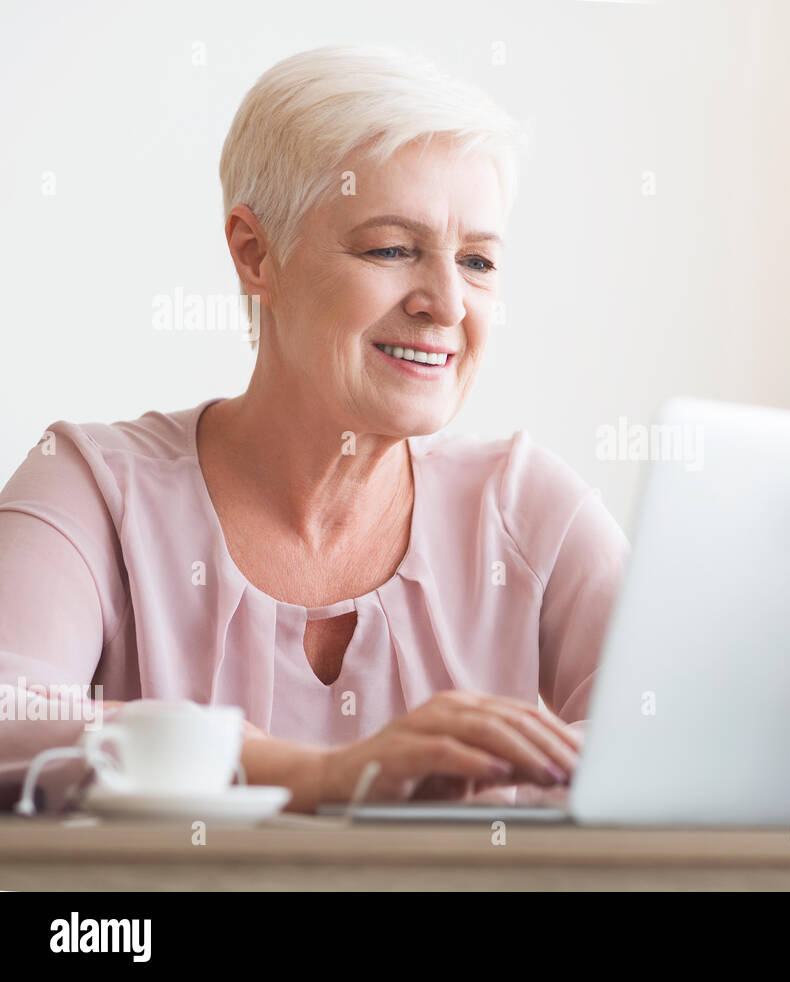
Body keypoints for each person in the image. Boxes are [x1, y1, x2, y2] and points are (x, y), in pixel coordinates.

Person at [0, 44, 629, 814]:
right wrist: (324, 778)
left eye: (477, 262)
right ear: (255, 254)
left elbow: (674, 746)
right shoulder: (90, 486)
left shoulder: (533, 511)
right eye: (393, 248)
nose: (448, 302)